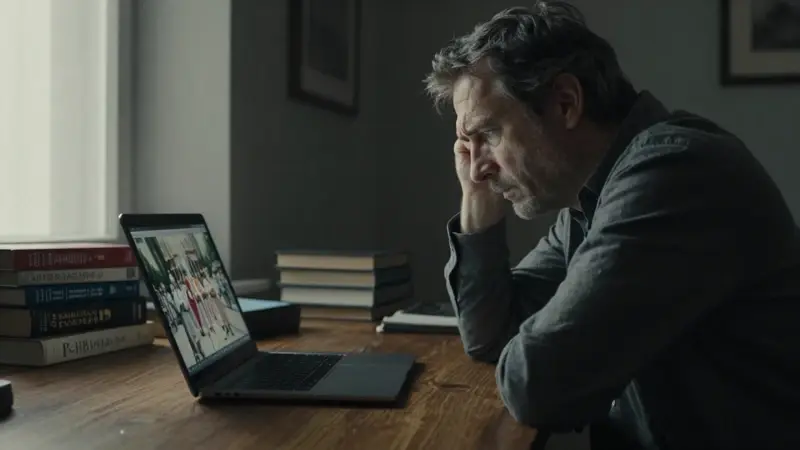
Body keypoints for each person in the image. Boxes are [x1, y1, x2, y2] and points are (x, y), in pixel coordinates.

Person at [423, 2, 800, 449]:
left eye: (487, 134)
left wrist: (544, 342)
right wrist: (475, 201)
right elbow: (490, 333)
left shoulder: (671, 175)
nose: (477, 166)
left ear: (565, 103)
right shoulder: (595, 195)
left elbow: (539, 384)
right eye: (467, 144)